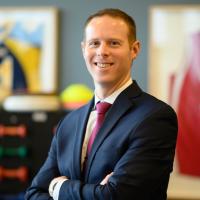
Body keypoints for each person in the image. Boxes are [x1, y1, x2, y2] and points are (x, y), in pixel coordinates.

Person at [25, 8, 178, 200]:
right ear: (83, 49)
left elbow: (116, 196)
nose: (102, 51)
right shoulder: (69, 123)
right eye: (94, 43)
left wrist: (59, 188)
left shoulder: (155, 118)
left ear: (134, 49)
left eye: (114, 43)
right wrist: (97, 192)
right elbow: (34, 194)